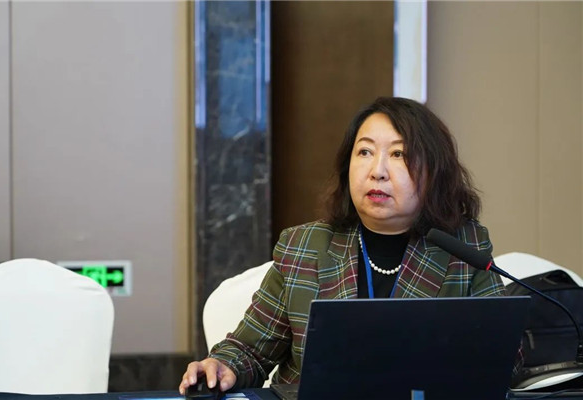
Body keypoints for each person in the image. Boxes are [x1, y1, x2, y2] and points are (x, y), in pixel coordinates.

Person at [180, 96, 512, 394]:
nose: (377, 171)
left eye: (399, 154)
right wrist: (222, 365)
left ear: (434, 172)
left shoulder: (463, 247)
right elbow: (250, 350)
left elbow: (504, 355)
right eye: (365, 152)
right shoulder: (304, 246)